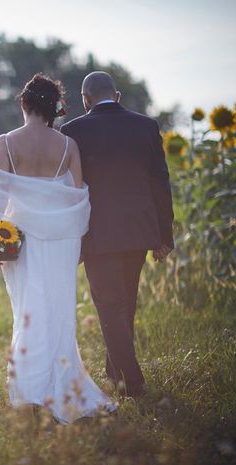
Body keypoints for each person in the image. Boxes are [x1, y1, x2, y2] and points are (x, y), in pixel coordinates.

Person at [0, 73, 117, 424]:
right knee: (58, 310)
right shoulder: (68, 146)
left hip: (21, 240)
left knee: (27, 309)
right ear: (56, 108)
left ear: (24, 103)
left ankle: (29, 391)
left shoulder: (5, 143)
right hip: (61, 241)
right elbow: (77, 197)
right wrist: (77, 237)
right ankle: (61, 385)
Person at [59, 71, 174, 398]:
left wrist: (71, 237)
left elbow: (70, 190)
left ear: (86, 99)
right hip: (139, 229)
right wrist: (164, 235)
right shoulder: (146, 126)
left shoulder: (73, 131)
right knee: (126, 302)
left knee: (111, 306)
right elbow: (160, 184)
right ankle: (116, 374)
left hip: (98, 234)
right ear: (118, 95)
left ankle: (132, 382)